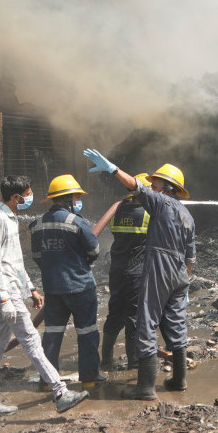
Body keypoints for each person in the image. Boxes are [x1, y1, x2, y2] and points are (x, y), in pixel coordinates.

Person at [83, 149, 195, 401]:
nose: (151, 186)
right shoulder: (187, 215)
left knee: (146, 321)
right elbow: (190, 257)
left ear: (166, 187)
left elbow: (136, 186)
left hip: (160, 267)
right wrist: (184, 287)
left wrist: (113, 169)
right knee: (176, 325)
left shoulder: (161, 201)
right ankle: (179, 380)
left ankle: (145, 387)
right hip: (180, 273)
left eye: (155, 183)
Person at [0, 175, 88, 418]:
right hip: (8, 294)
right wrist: (3, 298)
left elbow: (15, 262)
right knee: (32, 342)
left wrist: (31, 289)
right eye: (27, 194)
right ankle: (60, 393)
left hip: (13, 291)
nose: (30, 198)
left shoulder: (10, 218)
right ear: (16, 197)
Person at [29, 175, 106, 386]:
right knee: (87, 332)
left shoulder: (36, 225)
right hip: (81, 288)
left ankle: (48, 381)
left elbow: (37, 257)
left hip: (53, 289)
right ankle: (90, 380)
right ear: (70, 198)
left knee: (52, 335)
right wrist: (79, 263)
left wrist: (53, 269)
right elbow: (94, 251)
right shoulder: (78, 222)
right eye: (77, 197)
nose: (78, 201)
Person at [94, 173, 152, 371]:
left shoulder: (118, 210)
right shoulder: (147, 213)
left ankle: (106, 360)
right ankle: (133, 362)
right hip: (137, 273)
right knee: (134, 317)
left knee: (115, 313)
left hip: (117, 271)